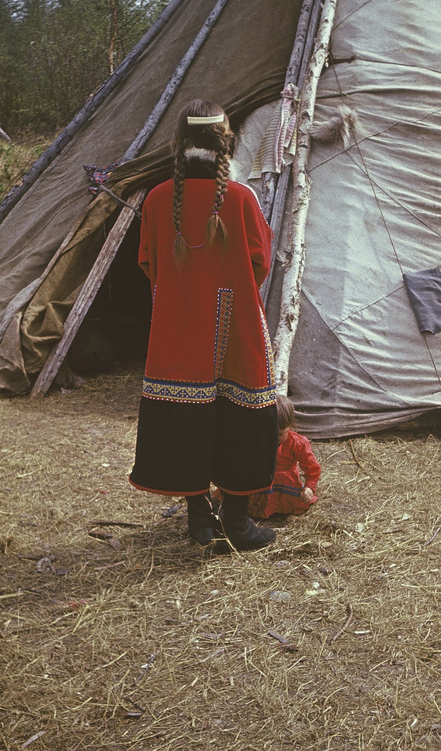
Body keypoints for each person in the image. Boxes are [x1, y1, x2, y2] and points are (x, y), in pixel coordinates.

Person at [129, 99, 277, 551]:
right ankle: (237, 522)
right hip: (235, 330)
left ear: (178, 142)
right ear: (226, 142)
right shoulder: (240, 198)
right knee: (240, 417)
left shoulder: (157, 199)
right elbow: (260, 261)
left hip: (177, 332)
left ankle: (199, 521)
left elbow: (147, 262)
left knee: (186, 420)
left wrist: (182, 294)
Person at [248, 395, 320, 519]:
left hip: (284, 482)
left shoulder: (298, 443)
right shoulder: (255, 439)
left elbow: (312, 468)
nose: (275, 438)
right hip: (261, 478)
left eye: (281, 434)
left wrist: (309, 487)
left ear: (290, 426)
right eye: (270, 433)